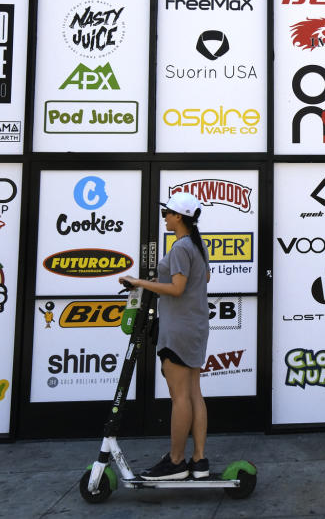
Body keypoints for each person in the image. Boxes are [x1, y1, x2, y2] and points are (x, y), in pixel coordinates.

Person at [119, 192, 211, 481]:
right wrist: (162, 281)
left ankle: (176, 462)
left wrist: (139, 282)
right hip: (193, 326)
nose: (165, 218)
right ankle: (198, 460)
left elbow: (178, 289)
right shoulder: (196, 244)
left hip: (179, 329)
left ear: (179, 217)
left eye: (167, 213)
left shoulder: (182, 247)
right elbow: (202, 279)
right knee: (194, 393)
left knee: (180, 397)